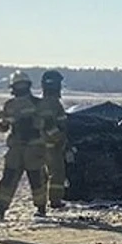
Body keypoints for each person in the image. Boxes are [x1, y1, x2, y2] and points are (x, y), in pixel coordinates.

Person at [0, 70, 47, 218]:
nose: (19, 87)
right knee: (8, 178)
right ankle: (0, 208)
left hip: (33, 147)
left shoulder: (37, 103)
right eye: (17, 85)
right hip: (16, 147)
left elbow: (46, 123)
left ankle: (41, 208)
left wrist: (33, 123)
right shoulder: (9, 105)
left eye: (21, 84)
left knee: (37, 179)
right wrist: (4, 123)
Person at [35, 69, 69, 209]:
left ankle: (41, 204)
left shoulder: (42, 102)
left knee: (42, 175)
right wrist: (59, 139)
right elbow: (50, 124)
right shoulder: (52, 103)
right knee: (57, 174)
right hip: (50, 145)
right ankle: (55, 201)